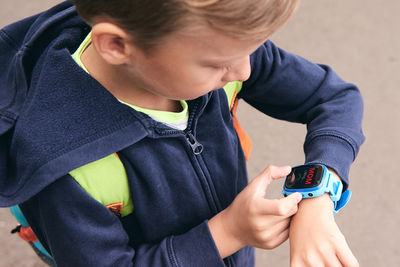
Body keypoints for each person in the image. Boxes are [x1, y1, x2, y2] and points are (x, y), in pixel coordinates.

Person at [0, 0, 364, 266]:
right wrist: (228, 233)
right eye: (219, 63)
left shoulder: (217, 44)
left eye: (251, 50)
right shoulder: (66, 167)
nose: (244, 71)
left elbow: (332, 97)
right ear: (116, 45)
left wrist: (317, 193)